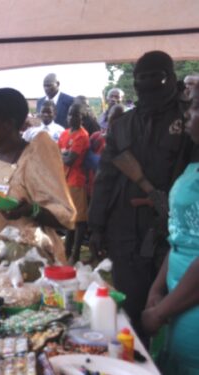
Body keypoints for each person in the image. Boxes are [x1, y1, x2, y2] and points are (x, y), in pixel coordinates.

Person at [89, 51, 196, 342]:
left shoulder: (190, 118)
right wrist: (96, 226)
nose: (148, 86)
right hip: (126, 229)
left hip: (176, 231)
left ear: (171, 79)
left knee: (173, 307)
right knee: (132, 310)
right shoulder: (123, 125)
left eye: (156, 78)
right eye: (141, 80)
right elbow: (105, 180)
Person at [0, 88, 75, 264]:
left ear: (8, 124)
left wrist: (31, 210)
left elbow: (65, 217)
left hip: (30, 261)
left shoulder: (35, 157)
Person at [142, 86, 199, 374]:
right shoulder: (194, 165)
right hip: (176, 293)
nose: (188, 113)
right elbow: (182, 236)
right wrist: (157, 287)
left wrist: (161, 311)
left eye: (196, 107)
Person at [58, 103, 90, 264]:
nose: (71, 118)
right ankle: (66, 250)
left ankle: (75, 253)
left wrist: (62, 154)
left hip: (76, 180)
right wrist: (64, 154)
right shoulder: (64, 134)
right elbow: (57, 154)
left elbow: (70, 160)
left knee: (79, 220)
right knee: (69, 218)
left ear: (81, 118)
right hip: (64, 180)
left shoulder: (82, 135)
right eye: (70, 114)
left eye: (75, 115)